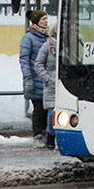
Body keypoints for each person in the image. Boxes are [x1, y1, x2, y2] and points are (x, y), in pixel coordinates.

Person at [20, 10, 49, 145]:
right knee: (38, 108)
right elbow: (24, 59)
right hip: (35, 78)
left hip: (46, 79)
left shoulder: (48, 36)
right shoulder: (29, 38)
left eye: (46, 19)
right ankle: (37, 134)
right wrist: (28, 77)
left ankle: (43, 132)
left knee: (46, 107)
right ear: (36, 21)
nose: (46, 21)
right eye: (43, 19)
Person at [33, 21, 58, 150]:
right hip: (52, 85)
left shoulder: (70, 45)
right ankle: (50, 136)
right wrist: (48, 79)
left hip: (64, 83)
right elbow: (38, 64)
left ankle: (59, 137)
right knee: (52, 112)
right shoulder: (47, 46)